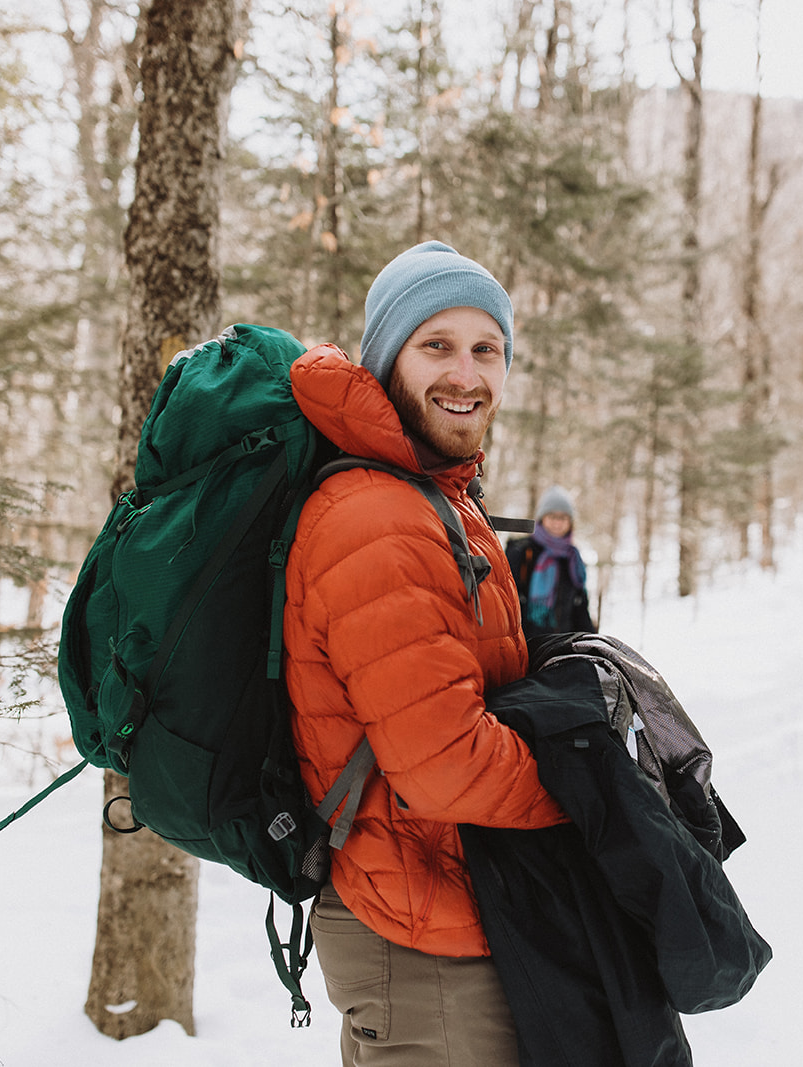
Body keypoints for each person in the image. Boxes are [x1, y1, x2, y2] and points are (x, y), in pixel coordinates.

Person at [281, 240, 568, 1065]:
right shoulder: (379, 518)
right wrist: (588, 785)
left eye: (487, 349)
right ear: (387, 360)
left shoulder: (435, 496)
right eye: (436, 344)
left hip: (437, 907)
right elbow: (441, 763)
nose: (466, 373)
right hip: (418, 933)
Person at [505, 486, 597, 638]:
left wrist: (591, 642)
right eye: (552, 516)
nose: (557, 523)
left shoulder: (573, 557)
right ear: (542, 518)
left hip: (564, 645)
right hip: (526, 643)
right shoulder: (522, 551)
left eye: (563, 518)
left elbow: (580, 609)